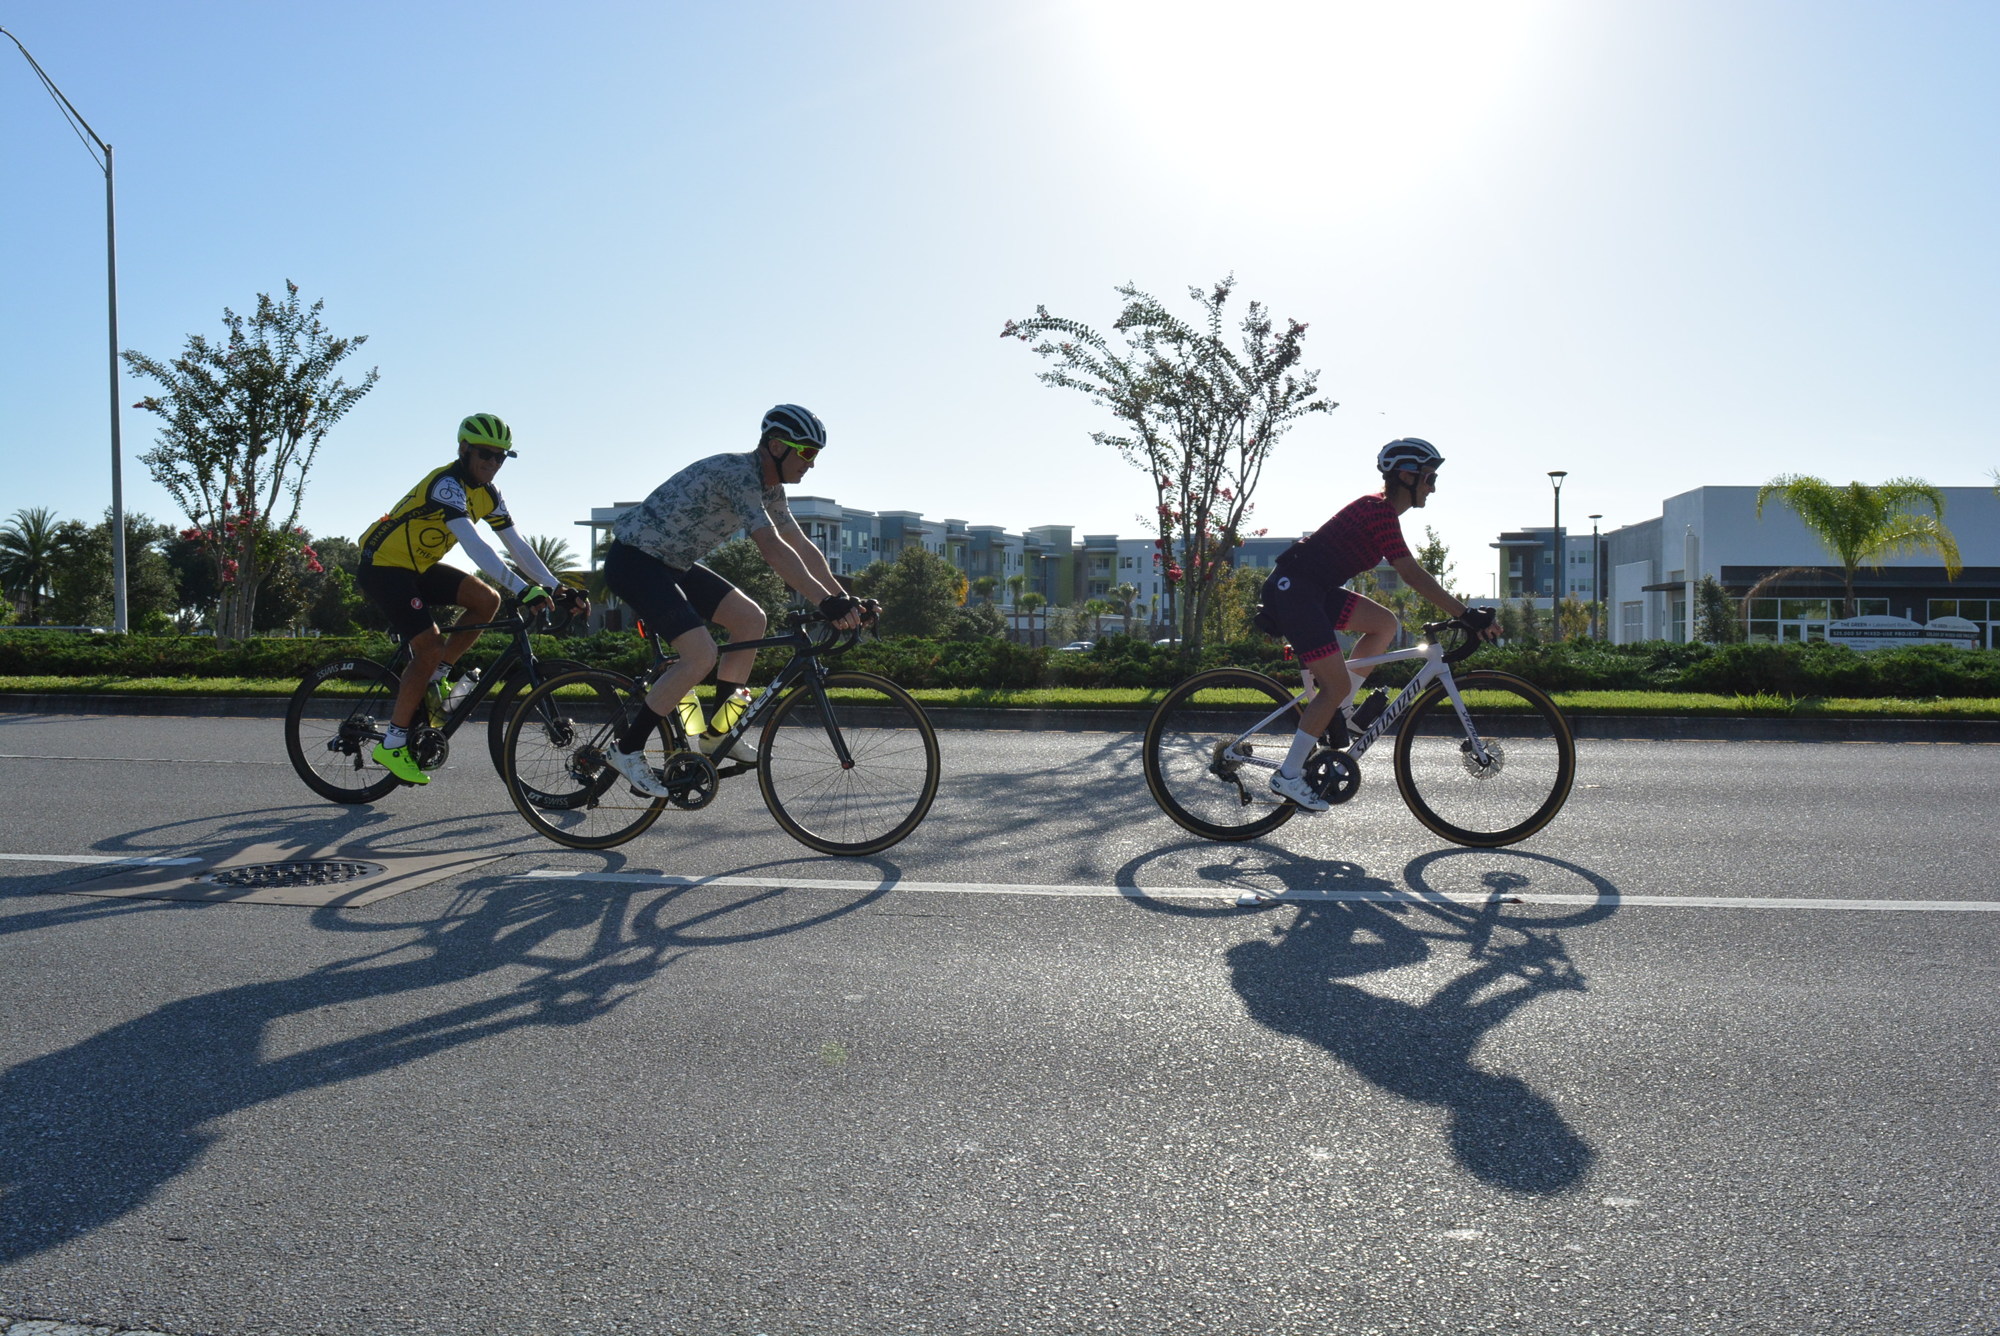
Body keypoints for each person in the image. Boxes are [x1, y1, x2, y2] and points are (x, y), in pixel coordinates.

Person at [598, 403, 868, 797]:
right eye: (807, 453)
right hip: (635, 561)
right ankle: (627, 749)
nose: (811, 464)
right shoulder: (739, 474)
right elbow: (772, 548)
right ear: (776, 446)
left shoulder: (770, 487)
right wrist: (824, 602)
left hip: (672, 563)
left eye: (816, 455)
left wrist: (841, 597)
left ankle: (716, 734)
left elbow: (799, 544)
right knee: (700, 655)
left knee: (750, 620)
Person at [1257, 437, 1497, 813]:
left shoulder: (1383, 512)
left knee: (1384, 624)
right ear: (1406, 475)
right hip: (1296, 592)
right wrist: (1464, 614)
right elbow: (1412, 575)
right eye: (1429, 478)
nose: (1433, 488)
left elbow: (1411, 575)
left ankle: (1342, 711)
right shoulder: (1377, 511)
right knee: (1332, 685)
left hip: (1314, 591)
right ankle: (1288, 776)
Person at [355, 413, 587, 785]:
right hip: (383, 567)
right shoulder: (447, 484)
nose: (492, 464)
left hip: (417, 566)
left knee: (486, 600)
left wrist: (556, 586)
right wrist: (522, 588)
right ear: (464, 449)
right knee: (427, 646)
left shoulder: (489, 494)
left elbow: (516, 545)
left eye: (501, 457)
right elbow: (475, 546)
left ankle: (437, 678)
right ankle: (393, 743)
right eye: (485, 454)